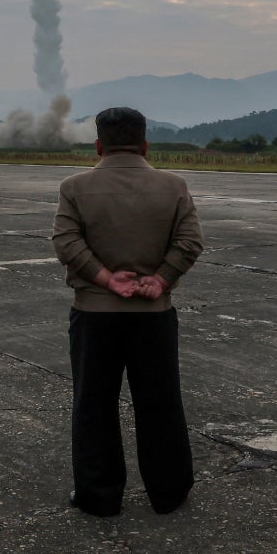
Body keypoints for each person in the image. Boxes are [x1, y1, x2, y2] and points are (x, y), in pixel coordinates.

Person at [52, 106, 204, 517]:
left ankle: (99, 495)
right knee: (161, 403)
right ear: (145, 143)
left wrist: (105, 279)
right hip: (153, 313)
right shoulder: (173, 185)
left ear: (99, 144)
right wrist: (160, 279)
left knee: (94, 405)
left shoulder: (74, 187)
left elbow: (67, 243)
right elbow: (190, 242)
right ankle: (168, 491)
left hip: (95, 314)